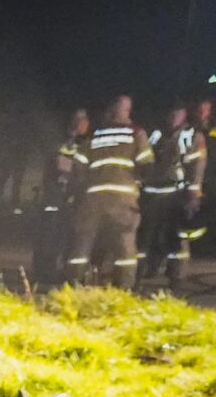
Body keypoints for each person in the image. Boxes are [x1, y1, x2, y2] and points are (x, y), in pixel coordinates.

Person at [64, 96, 152, 289]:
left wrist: (76, 193)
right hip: (123, 200)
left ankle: (74, 285)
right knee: (125, 246)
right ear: (127, 111)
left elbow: (78, 168)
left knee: (83, 242)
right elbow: (146, 165)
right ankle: (123, 288)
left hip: (93, 199)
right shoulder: (136, 133)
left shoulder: (95, 135)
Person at [139, 105, 197, 291]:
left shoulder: (191, 135)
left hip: (176, 193)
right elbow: (146, 159)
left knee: (176, 236)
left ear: (184, 115)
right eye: (170, 113)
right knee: (148, 234)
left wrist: (193, 192)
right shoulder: (156, 134)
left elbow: (197, 166)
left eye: (177, 113)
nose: (173, 117)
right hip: (153, 193)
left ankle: (176, 275)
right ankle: (146, 269)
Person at [36, 108, 88, 282]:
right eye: (79, 120)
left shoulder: (84, 145)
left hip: (71, 197)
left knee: (66, 237)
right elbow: (56, 169)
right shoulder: (64, 144)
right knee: (51, 235)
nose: (82, 124)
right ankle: (45, 271)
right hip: (57, 196)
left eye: (83, 120)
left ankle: (59, 270)